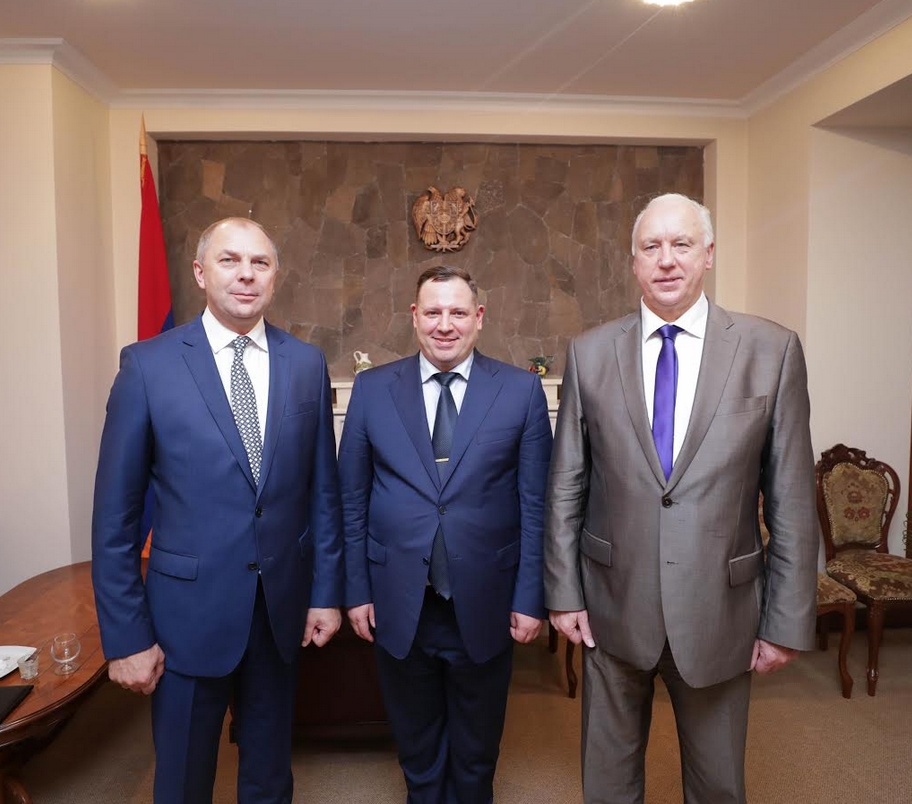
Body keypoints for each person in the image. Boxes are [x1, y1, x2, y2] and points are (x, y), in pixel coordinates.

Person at [545, 194, 818, 804]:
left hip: (721, 611)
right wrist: (563, 594)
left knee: (718, 786)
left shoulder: (771, 350)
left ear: (709, 255)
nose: (666, 260)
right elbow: (566, 484)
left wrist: (785, 622)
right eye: (651, 247)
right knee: (608, 786)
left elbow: (792, 498)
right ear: (634, 262)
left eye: (682, 244)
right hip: (611, 607)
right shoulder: (590, 353)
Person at [91, 217, 344, 803]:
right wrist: (126, 637)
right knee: (182, 782)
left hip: (278, 614)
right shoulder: (147, 366)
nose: (246, 274)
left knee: (270, 780)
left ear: (275, 277)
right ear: (201, 273)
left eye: (260, 262)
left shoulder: (306, 364)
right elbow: (115, 520)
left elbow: (322, 494)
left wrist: (325, 593)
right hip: (185, 619)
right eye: (230, 260)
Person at [339, 265, 553, 804]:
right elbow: (352, 500)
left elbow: (536, 506)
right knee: (417, 749)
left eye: (458, 312)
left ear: (479, 318)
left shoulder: (522, 391)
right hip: (397, 601)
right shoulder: (371, 390)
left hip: (486, 600)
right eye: (433, 312)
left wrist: (531, 597)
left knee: (477, 753)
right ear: (414, 317)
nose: (445, 324)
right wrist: (356, 589)